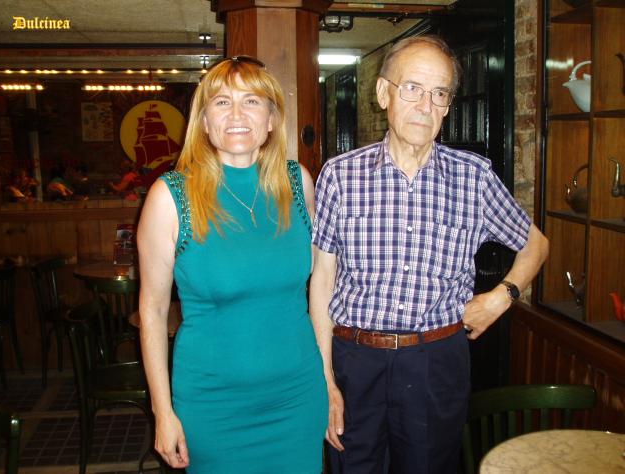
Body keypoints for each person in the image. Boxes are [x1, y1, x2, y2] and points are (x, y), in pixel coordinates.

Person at [310, 35, 549, 474]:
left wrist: (502, 297)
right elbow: (322, 281)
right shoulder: (340, 176)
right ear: (383, 93)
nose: (425, 105)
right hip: (355, 361)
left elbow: (536, 244)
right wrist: (324, 380)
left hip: (435, 362)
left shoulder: (473, 178)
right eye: (412, 88)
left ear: (448, 106)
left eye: (439, 93)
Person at [137, 56, 327, 473]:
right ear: (204, 122)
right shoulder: (171, 197)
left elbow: (320, 290)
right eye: (222, 102)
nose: (237, 114)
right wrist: (162, 412)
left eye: (252, 101)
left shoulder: (299, 183)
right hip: (213, 405)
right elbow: (152, 311)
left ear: (271, 119)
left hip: (298, 396)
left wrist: (329, 381)